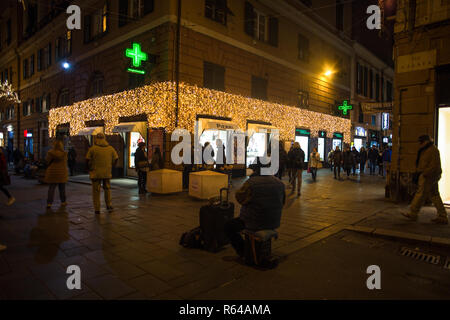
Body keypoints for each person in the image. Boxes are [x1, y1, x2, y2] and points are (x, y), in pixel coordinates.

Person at [224, 162, 285, 262]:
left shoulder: (252, 183)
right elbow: (283, 202)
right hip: (274, 221)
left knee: (229, 226)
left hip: (254, 221)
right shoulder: (279, 183)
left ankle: (243, 252)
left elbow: (240, 198)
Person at [402, 135, 448, 224]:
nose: (419, 144)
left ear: (425, 141)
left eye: (421, 142)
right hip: (429, 175)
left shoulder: (432, 150)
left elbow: (434, 165)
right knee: (434, 195)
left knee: (420, 194)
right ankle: (442, 215)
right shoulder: (427, 149)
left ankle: (413, 213)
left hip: (428, 176)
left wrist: (424, 174)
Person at [86, 133, 119, 214]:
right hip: (106, 172)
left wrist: (89, 167)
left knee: (96, 191)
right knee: (107, 189)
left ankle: (97, 208)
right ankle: (109, 205)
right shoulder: (110, 148)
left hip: (96, 172)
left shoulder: (93, 149)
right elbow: (116, 158)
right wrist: (112, 166)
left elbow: (87, 159)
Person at [44, 140, 68, 209]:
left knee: (51, 188)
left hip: (53, 172)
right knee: (62, 188)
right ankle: (63, 201)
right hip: (62, 172)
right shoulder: (64, 153)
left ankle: (49, 203)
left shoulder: (50, 153)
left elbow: (47, 161)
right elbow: (65, 162)